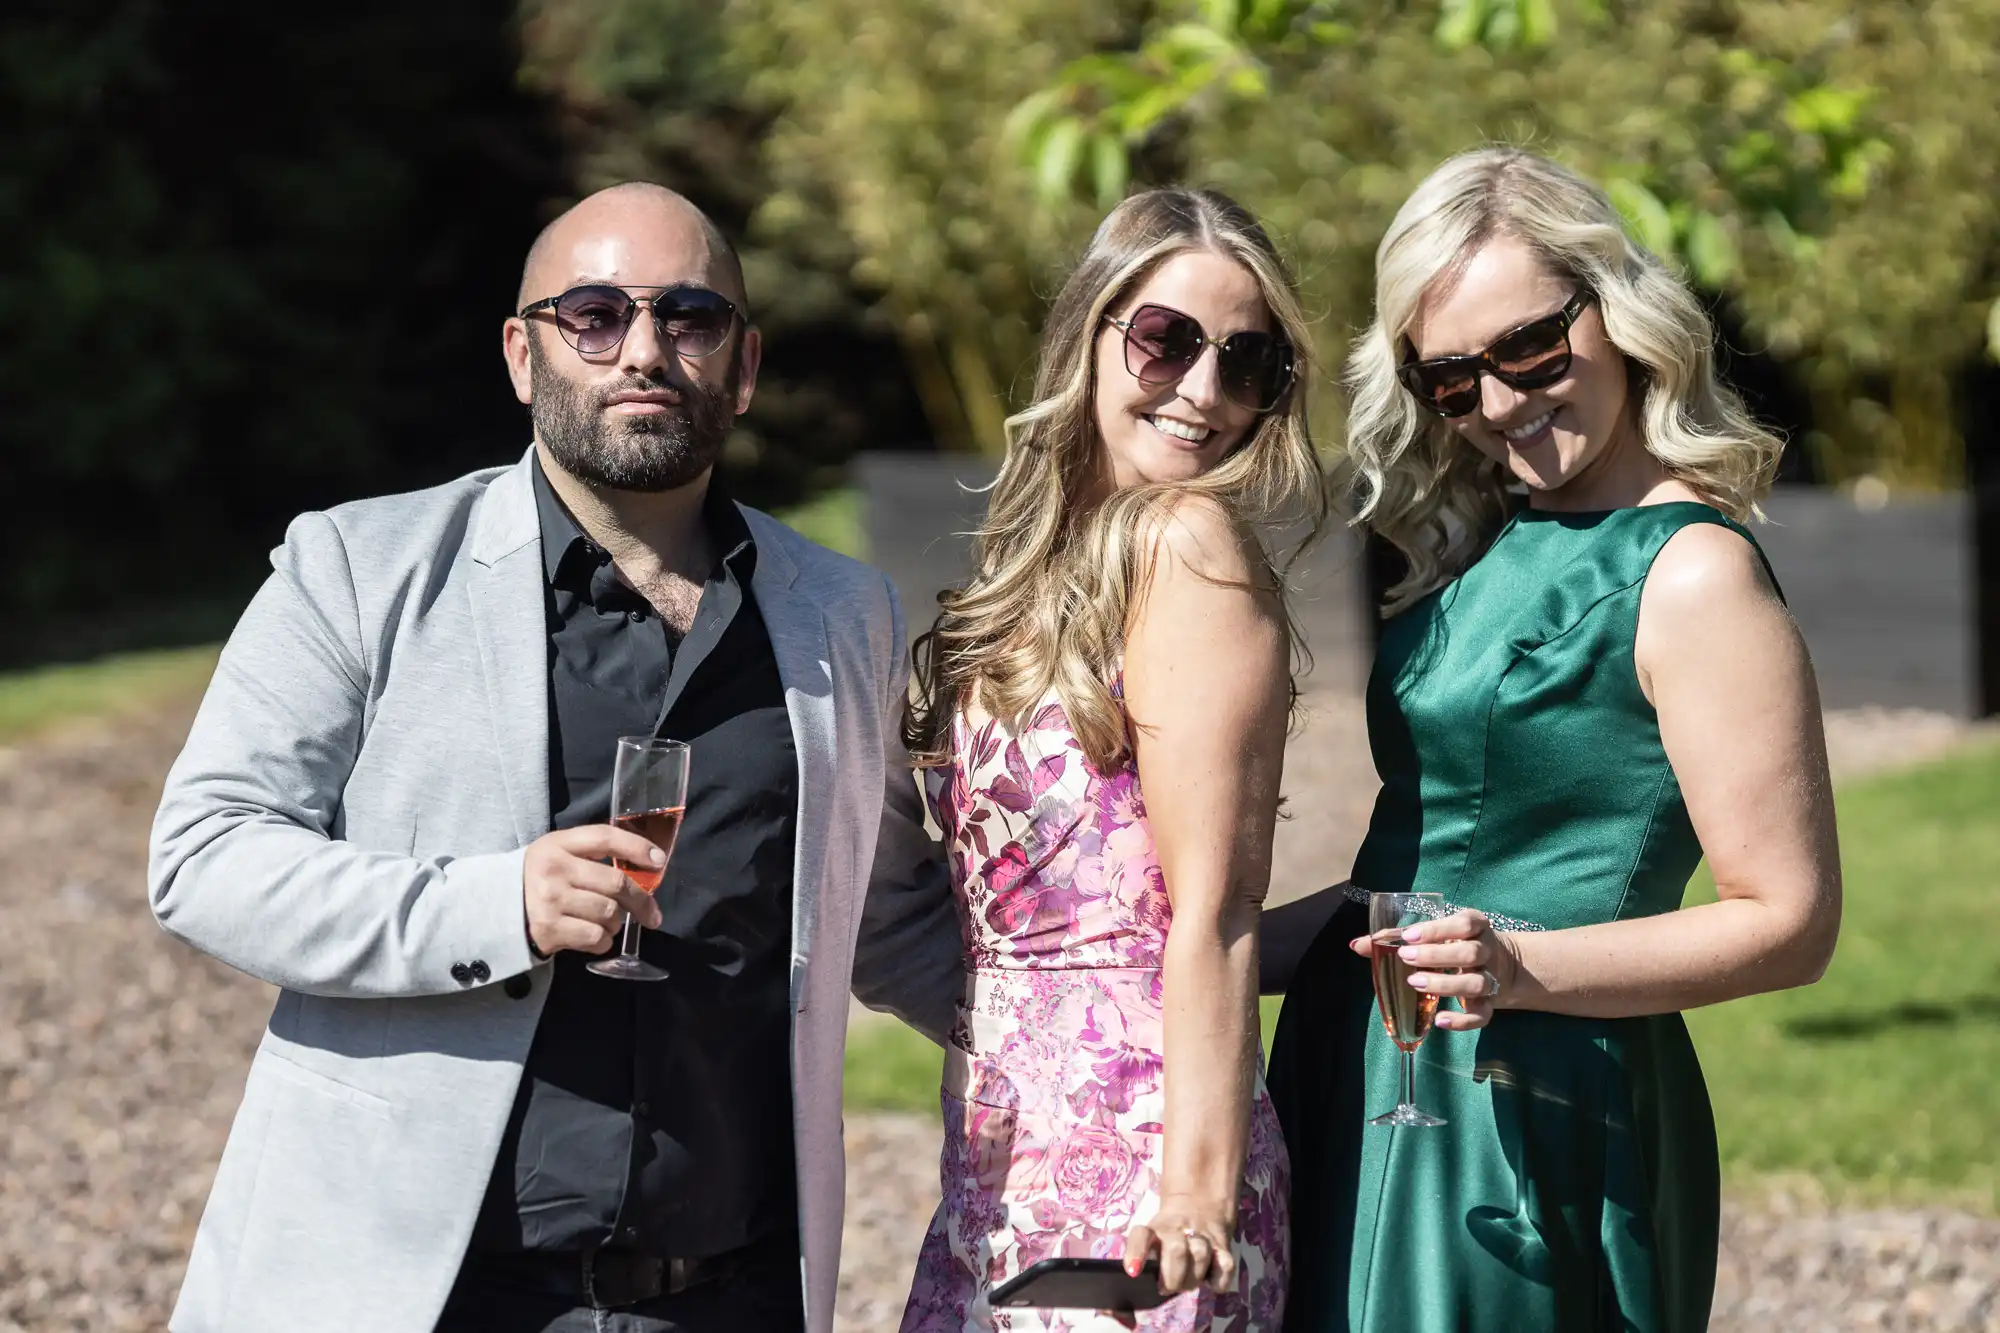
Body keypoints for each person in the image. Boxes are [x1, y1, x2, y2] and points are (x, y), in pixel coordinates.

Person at [147, 182, 961, 1333]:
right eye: (592, 314)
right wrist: (495, 902)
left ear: (743, 363)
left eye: (688, 317)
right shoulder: (359, 568)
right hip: (423, 1290)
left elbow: (888, 916)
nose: (642, 350)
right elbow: (205, 857)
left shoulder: (845, 612)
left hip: (729, 1296)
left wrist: (1157, 1004)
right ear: (522, 355)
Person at [1263, 147, 1843, 1333]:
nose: (1501, 402)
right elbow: (1411, 876)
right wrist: (1188, 951)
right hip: (1363, 1063)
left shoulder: (1689, 573)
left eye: (1528, 349)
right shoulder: (1478, 548)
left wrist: (1522, 972)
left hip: (1531, 1096)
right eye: (1452, 380)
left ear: (1615, 308)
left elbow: (1788, 920)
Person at [896, 187, 1322, 1332]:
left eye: (1248, 363)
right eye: (1166, 340)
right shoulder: (1037, 569)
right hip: (995, 1160)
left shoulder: (1186, 544)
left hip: (1139, 1167)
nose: (1202, 391)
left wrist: (1193, 1196)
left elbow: (1213, 910)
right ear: (1088, 330)